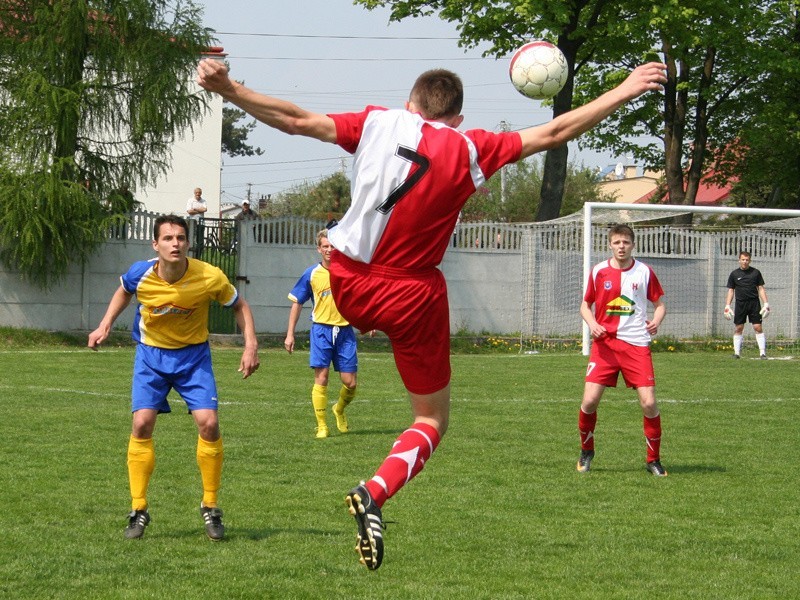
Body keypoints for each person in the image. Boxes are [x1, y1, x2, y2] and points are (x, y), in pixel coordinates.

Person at [197, 56, 667, 570]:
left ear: (411, 104)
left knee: (354, 316)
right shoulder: (471, 147)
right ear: (458, 118)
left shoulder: (379, 122)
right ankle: (375, 491)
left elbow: (297, 120)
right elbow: (555, 131)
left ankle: (361, 450)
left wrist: (229, 87)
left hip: (348, 281)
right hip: (412, 293)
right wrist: (624, 89)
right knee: (431, 418)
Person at [87, 214, 260, 541]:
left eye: (180, 238)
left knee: (208, 423)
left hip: (193, 358)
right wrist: (105, 324)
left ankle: (210, 505)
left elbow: (240, 306)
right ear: (156, 245)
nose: (175, 243)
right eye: (167, 238)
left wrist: (250, 346)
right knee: (141, 424)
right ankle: (138, 508)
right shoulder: (142, 272)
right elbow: (124, 290)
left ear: (188, 243)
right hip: (151, 356)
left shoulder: (209, 276)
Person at [577, 224, 667, 477]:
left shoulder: (644, 272)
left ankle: (653, 460)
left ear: (632, 244)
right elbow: (585, 305)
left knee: (649, 403)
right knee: (589, 401)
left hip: (636, 345)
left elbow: (660, 305)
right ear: (610, 244)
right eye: (617, 242)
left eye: (626, 242)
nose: (621, 246)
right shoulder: (599, 271)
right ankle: (586, 452)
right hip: (605, 346)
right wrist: (592, 323)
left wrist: (656, 321)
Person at [285, 228, 359, 439]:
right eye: (325, 246)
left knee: (350, 382)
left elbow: (358, 300)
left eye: (332, 246)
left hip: (345, 330)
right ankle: (322, 425)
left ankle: (339, 410)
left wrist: (367, 322)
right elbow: (297, 302)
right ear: (319, 249)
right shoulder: (311, 274)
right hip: (321, 331)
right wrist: (290, 333)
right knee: (322, 377)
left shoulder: (348, 272)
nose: (329, 250)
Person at [724, 251, 769, 359]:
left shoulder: (756, 273)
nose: (745, 262)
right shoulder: (734, 274)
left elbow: (761, 289)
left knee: (757, 327)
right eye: (743, 259)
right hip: (740, 304)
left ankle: (762, 353)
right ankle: (737, 353)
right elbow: (731, 290)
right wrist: (727, 305)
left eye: (747, 260)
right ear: (739, 260)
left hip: (754, 303)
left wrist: (766, 303)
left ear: (750, 260)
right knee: (739, 328)